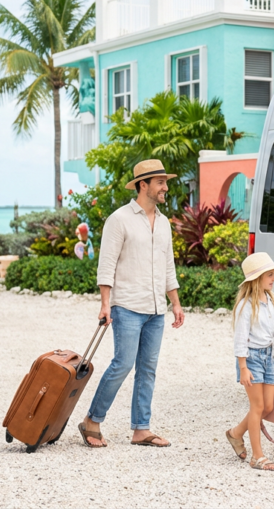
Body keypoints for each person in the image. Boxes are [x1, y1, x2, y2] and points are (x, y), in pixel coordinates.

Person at [78, 159, 185, 448]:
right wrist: (104, 303)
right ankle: (92, 421)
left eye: (165, 182)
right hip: (125, 307)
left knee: (147, 369)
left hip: (155, 310)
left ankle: (141, 429)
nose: (165, 187)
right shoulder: (119, 219)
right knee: (122, 364)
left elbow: (168, 267)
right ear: (143, 185)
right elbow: (106, 264)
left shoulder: (163, 223)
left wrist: (174, 302)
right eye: (160, 182)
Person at [224, 252, 274, 471]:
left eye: (273, 274)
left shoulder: (271, 300)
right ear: (257, 278)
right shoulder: (245, 305)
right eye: (270, 275)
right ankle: (257, 456)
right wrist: (243, 368)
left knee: (267, 407)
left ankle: (236, 433)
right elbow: (240, 340)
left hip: (268, 357)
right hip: (251, 359)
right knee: (257, 406)